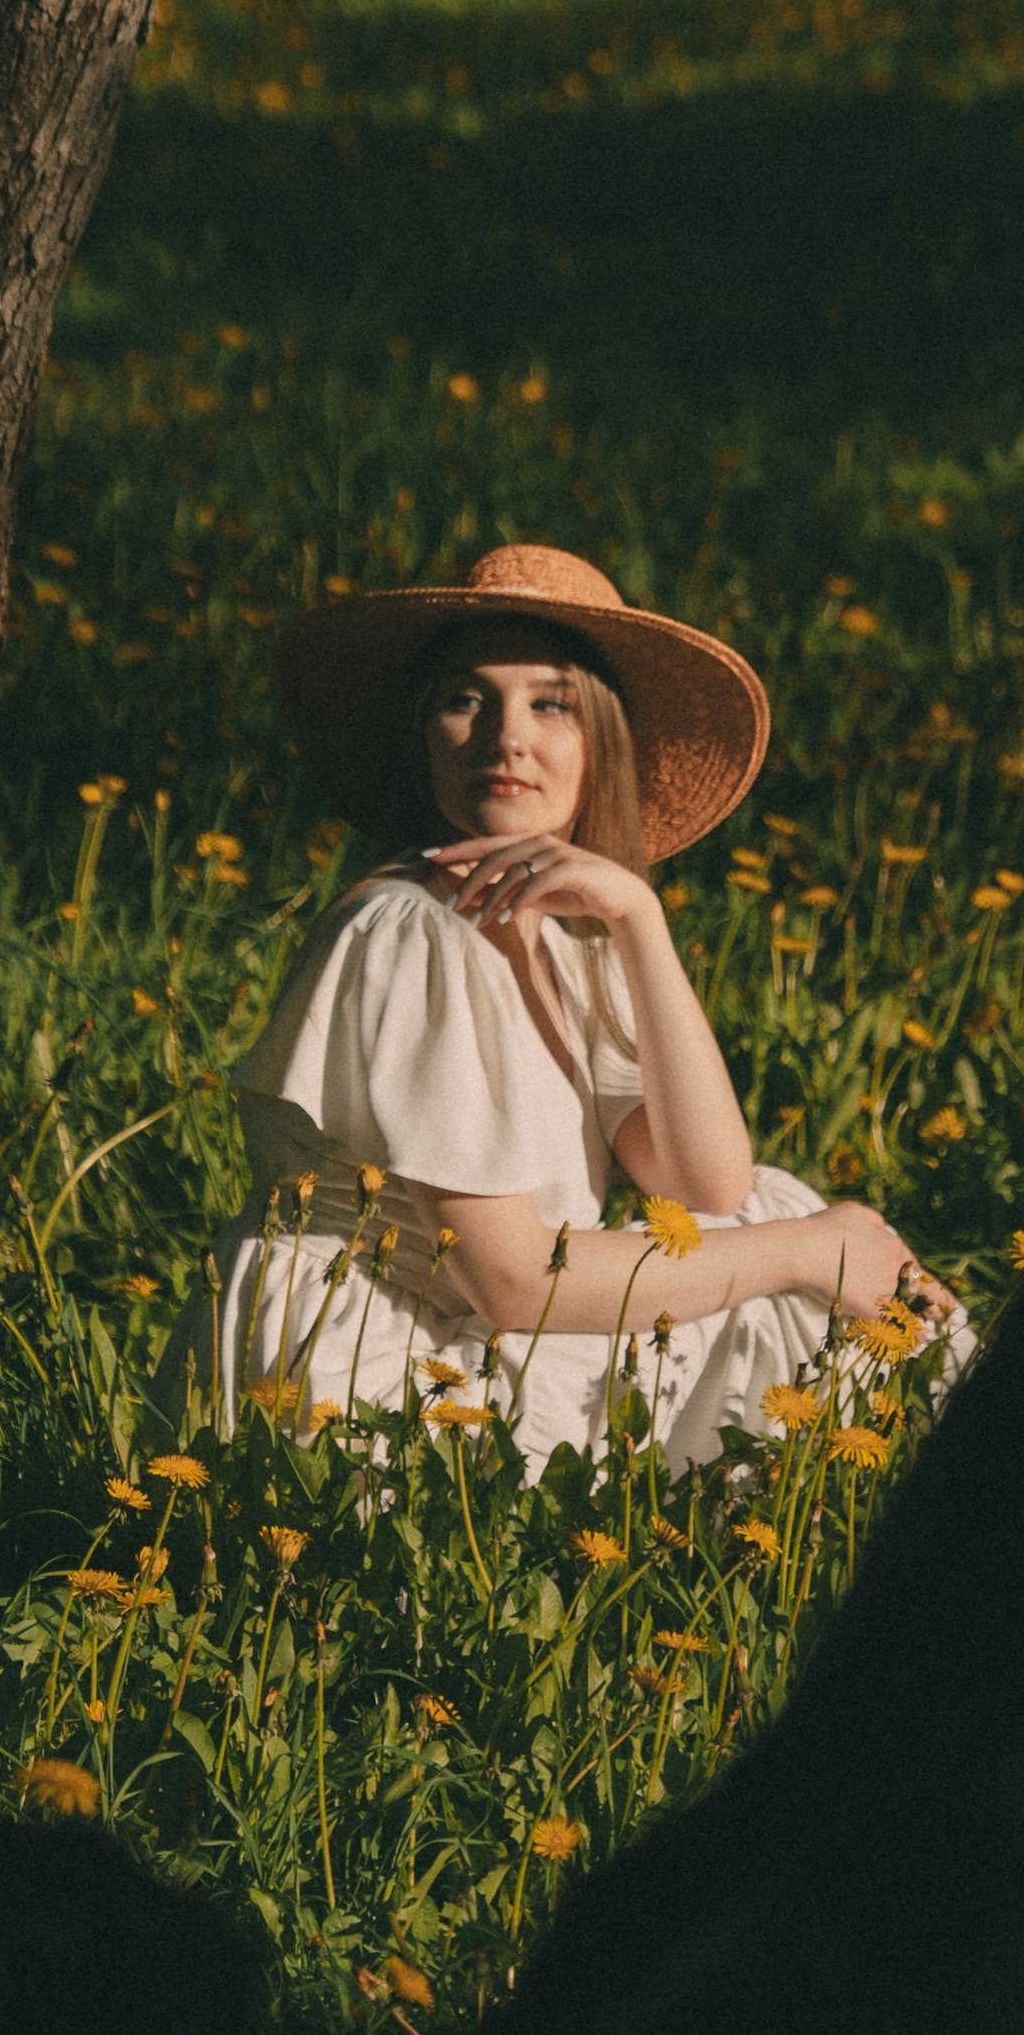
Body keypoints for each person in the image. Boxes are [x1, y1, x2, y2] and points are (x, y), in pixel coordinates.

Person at [216, 543, 965, 1469]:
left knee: (772, 1212)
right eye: (465, 699)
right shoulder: (408, 936)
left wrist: (638, 921)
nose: (506, 737)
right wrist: (813, 1250)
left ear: (598, 742)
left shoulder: (566, 928)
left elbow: (708, 1186)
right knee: (793, 1264)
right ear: (423, 735)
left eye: (550, 703)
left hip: (463, 1342)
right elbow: (513, 1285)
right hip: (360, 1396)